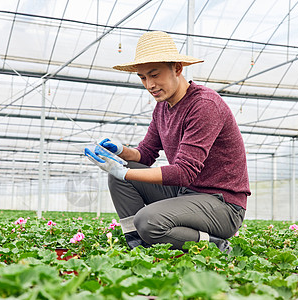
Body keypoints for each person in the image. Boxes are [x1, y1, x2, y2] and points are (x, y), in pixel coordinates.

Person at [85, 31, 250, 253]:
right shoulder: (162, 108)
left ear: (178, 69)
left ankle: (217, 245)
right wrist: (121, 151)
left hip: (223, 205)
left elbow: (183, 172)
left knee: (148, 220)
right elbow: (146, 154)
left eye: (155, 75)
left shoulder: (204, 105)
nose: (149, 85)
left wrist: (124, 172)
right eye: (143, 78)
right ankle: (139, 245)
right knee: (121, 176)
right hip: (186, 194)